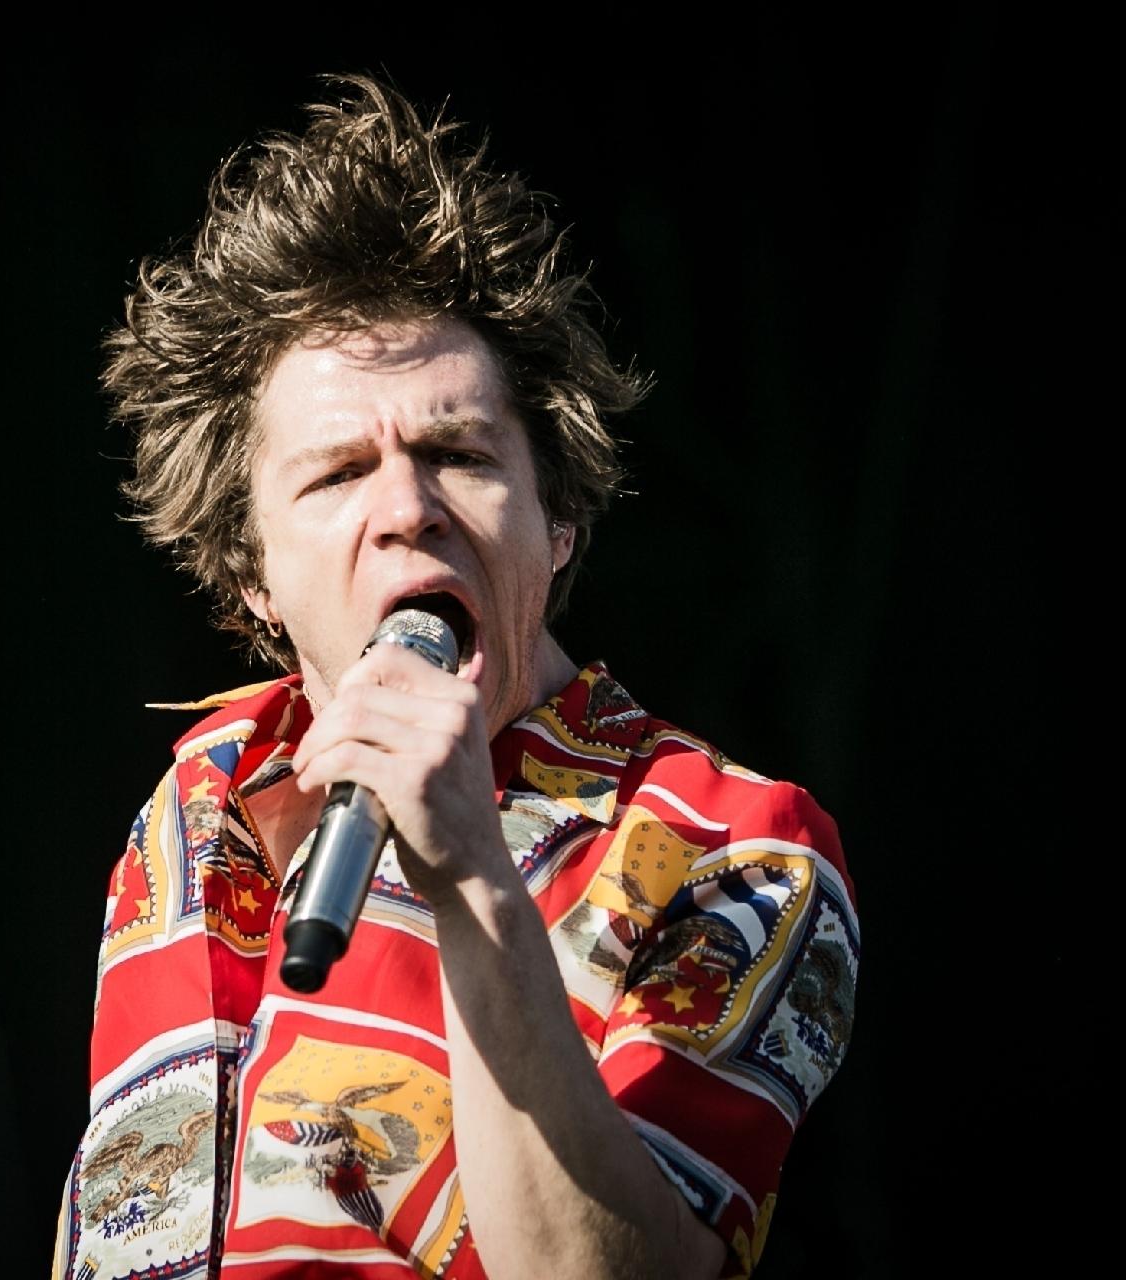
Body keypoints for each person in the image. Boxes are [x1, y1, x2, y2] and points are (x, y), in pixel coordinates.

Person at [53, 77, 858, 1280]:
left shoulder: (738, 845)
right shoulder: (189, 809)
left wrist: (473, 875)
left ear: (560, 521)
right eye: (334, 475)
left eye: (458, 453)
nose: (406, 510)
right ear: (252, 577)